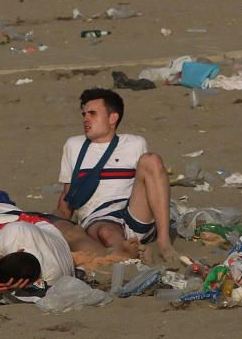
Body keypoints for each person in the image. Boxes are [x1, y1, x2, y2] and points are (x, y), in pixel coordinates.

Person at [52, 88, 176, 261]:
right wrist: (50, 222)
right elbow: (67, 197)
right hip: (97, 218)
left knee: (151, 159)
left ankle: (164, 241)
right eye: (84, 114)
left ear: (113, 118)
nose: (86, 119)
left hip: (133, 213)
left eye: (93, 113)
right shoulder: (74, 146)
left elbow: (148, 184)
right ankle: (124, 251)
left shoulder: (134, 143)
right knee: (107, 231)